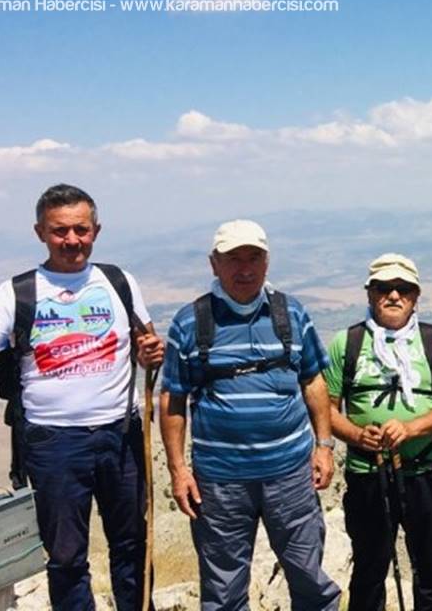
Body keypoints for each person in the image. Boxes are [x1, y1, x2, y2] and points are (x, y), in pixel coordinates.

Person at [0, 183, 163, 610]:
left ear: (97, 229)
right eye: (60, 231)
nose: (72, 241)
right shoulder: (18, 292)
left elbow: (146, 343)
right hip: (54, 444)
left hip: (123, 436)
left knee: (133, 544)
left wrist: (153, 351)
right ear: (40, 232)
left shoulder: (119, 281)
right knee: (66, 558)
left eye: (81, 229)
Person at [159, 219, 340, 611]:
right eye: (233, 259)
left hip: (290, 474)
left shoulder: (291, 313)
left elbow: (313, 381)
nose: (244, 269)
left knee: (309, 577)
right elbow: (173, 400)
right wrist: (178, 470)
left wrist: (324, 446)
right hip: (220, 481)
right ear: (214, 264)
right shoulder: (191, 323)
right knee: (223, 592)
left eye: (253, 258)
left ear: (267, 262)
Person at [324, 253, 432, 611]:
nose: (394, 295)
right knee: (369, 570)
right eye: (384, 288)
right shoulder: (347, 342)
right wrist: (356, 436)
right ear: (370, 293)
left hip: (429, 469)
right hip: (368, 472)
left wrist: (410, 427)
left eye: (403, 288)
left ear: (416, 295)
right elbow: (326, 408)